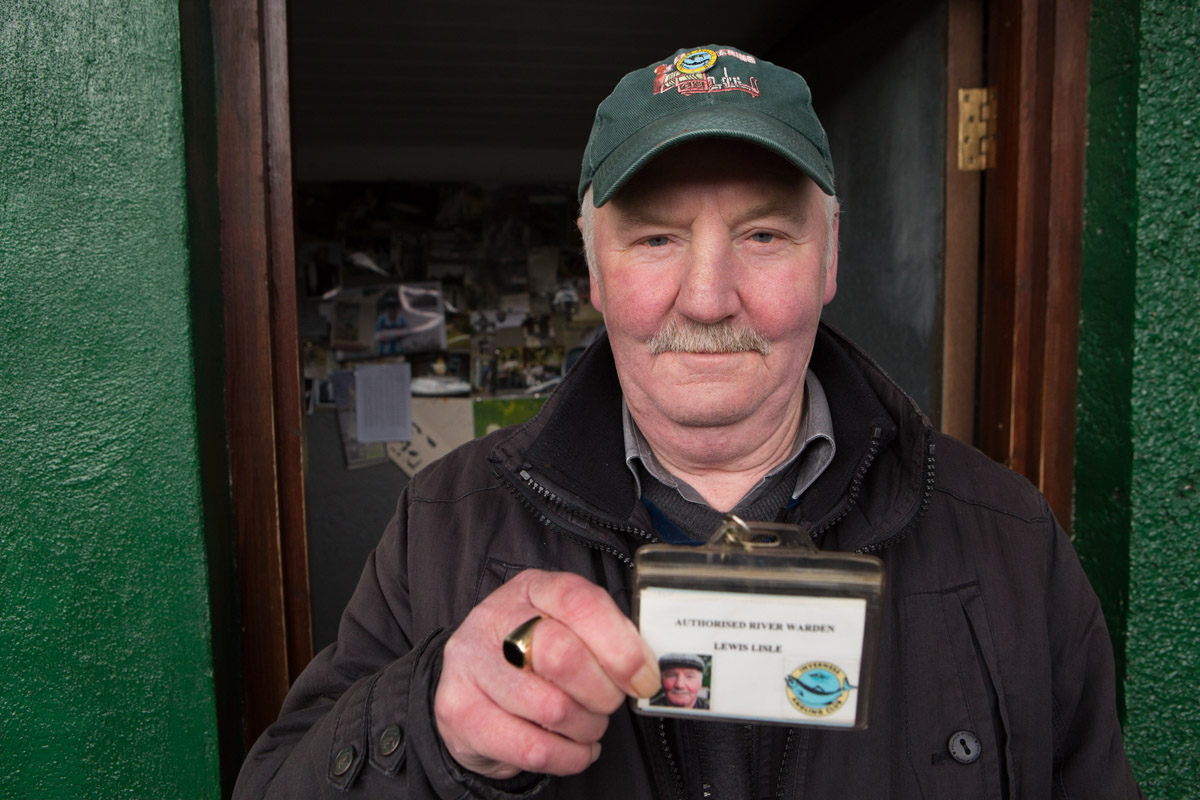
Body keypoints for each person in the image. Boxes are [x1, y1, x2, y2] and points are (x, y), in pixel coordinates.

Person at [235, 45, 1143, 799]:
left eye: (763, 236)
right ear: (594, 272)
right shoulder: (441, 522)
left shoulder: (1009, 538)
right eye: (657, 238)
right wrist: (427, 719)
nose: (708, 300)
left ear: (828, 261)